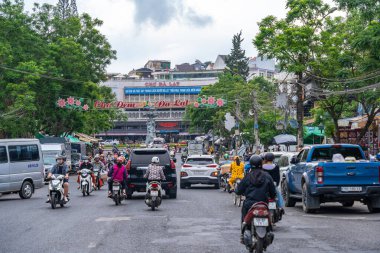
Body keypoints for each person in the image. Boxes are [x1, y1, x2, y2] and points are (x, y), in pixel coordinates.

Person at [236, 155, 276, 242]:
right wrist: (272, 196)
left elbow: (239, 190)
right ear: (261, 164)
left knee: (244, 219)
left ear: (251, 164)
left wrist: (238, 191)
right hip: (263, 204)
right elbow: (273, 191)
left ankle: (243, 235)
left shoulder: (247, 177)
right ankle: (269, 230)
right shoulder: (267, 176)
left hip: (249, 204)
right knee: (269, 222)